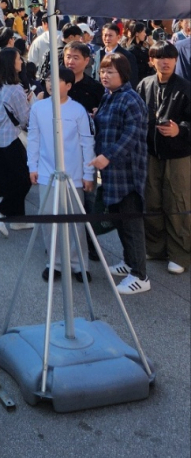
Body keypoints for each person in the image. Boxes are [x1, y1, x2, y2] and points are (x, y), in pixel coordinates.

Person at [27, 67, 95, 282]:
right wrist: (33, 166)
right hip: (47, 172)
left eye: (56, 81)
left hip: (73, 173)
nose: (50, 85)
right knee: (49, 220)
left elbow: (87, 142)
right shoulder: (38, 108)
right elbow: (33, 138)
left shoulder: (77, 110)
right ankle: (54, 263)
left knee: (75, 221)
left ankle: (79, 264)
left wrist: (88, 173)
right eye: (48, 80)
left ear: (68, 85)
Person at [90, 53, 150, 294]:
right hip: (112, 171)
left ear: (123, 74)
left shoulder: (131, 99)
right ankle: (129, 262)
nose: (104, 76)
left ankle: (140, 276)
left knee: (131, 222)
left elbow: (132, 135)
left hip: (128, 170)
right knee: (120, 218)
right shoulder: (109, 96)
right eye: (103, 71)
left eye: (110, 72)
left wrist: (108, 156)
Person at [137, 42, 190, 275]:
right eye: (159, 57)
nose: (165, 62)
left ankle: (180, 253)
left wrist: (180, 130)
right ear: (151, 60)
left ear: (176, 60)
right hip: (150, 151)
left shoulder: (185, 88)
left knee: (178, 202)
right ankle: (156, 247)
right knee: (152, 200)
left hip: (179, 154)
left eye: (169, 57)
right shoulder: (144, 84)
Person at [0, 47, 32, 231]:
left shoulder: (0, 84)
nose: (21, 62)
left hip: (1, 136)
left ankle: (17, 217)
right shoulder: (16, 89)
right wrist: (32, 101)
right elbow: (25, 119)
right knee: (24, 179)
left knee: (15, 178)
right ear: (11, 63)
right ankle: (1, 209)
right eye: (18, 59)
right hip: (12, 137)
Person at [93, 21, 139, 89]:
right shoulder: (98, 54)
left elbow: (132, 79)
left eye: (110, 35)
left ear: (118, 37)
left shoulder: (127, 56)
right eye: (105, 35)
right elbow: (95, 75)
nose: (107, 38)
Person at [63, 43, 105, 114]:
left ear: (86, 60)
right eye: (68, 57)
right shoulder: (57, 84)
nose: (70, 62)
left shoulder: (95, 87)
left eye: (76, 58)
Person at [124, 21, 151, 85]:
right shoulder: (131, 51)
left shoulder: (143, 47)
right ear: (137, 33)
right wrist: (148, 65)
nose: (145, 34)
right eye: (143, 31)